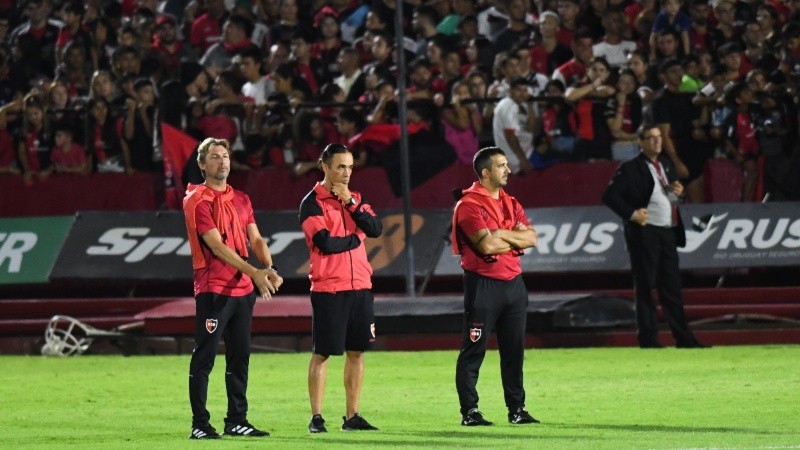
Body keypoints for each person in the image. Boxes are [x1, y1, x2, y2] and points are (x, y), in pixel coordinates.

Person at [182, 137, 284, 440]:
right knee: (205, 357)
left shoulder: (241, 198)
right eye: (214, 157)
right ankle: (200, 423)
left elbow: (256, 239)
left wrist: (270, 269)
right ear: (202, 164)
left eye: (225, 156)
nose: (222, 161)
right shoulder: (196, 200)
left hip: (242, 291)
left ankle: (237, 420)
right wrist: (255, 272)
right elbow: (216, 245)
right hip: (214, 289)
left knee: (240, 358)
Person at [452, 146, 540, 427]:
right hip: (483, 287)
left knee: (514, 351)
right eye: (502, 165)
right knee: (474, 350)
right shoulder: (468, 205)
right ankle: (470, 412)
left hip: (514, 286)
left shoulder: (510, 202)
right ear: (486, 172)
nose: (509, 170)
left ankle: (517, 409)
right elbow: (485, 244)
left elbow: (532, 238)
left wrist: (501, 233)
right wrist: (513, 236)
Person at [298, 143, 383, 434]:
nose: (346, 173)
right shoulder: (311, 202)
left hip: (360, 285)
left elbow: (375, 228)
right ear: (325, 167)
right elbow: (325, 243)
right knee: (322, 352)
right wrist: (356, 240)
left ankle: (352, 416)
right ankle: (317, 417)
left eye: (349, 167)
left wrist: (351, 203)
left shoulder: (356, 199)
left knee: (356, 352)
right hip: (329, 289)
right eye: (340, 167)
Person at [602, 125, 707, 349]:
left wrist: (678, 194)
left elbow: (666, 198)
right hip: (645, 232)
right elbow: (609, 195)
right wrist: (632, 214)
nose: (658, 142)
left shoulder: (665, 165)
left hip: (667, 231)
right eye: (652, 138)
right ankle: (649, 339)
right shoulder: (630, 168)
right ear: (641, 141)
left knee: (672, 287)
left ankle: (684, 338)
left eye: (660, 137)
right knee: (646, 286)